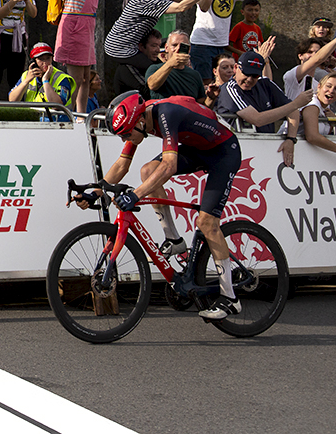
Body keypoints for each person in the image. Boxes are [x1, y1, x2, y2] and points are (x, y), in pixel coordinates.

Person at [87, 92, 244, 320]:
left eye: (126, 134)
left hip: (223, 152)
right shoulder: (140, 118)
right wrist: (95, 193)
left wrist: (136, 195)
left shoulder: (166, 114)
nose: (124, 140)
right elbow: (122, 165)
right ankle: (174, 240)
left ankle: (230, 298)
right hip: (199, 148)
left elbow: (169, 166)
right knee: (147, 171)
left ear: (140, 123)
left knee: (207, 223)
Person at [105, 0, 222, 71]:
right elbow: (181, 7)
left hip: (132, 46)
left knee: (160, 68)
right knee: (157, 70)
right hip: (119, 47)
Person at [216, 50, 312, 166]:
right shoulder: (229, 89)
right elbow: (257, 120)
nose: (249, 80)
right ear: (236, 68)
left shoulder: (265, 83)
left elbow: (293, 112)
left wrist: (291, 139)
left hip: (266, 148)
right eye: (246, 73)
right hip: (238, 150)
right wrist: (295, 104)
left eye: (255, 75)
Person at [189, 0, 261, 84]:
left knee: (221, 80)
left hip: (220, 43)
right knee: (204, 81)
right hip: (203, 41)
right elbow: (204, 7)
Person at [283, 18, 336, 100]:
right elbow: (317, 59)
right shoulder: (292, 75)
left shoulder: (319, 85)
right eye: (309, 52)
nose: (314, 55)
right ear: (300, 56)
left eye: (317, 52)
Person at [8, 42, 75, 119]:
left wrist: (45, 81)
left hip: (55, 123)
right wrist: (26, 81)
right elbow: (12, 100)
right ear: (33, 62)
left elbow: (57, 105)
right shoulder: (26, 76)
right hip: (31, 120)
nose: (45, 63)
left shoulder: (62, 78)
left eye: (48, 58)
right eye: (41, 59)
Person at [145, 30, 205, 102]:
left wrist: (211, 98)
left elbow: (201, 104)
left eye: (183, 46)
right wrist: (170, 64)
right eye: (174, 45)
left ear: (189, 50)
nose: (178, 49)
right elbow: (152, 85)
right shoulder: (155, 68)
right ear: (166, 48)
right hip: (164, 111)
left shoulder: (194, 74)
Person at [112, 29, 162, 97]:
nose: (158, 50)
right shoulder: (127, 67)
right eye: (153, 46)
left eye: (159, 46)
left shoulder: (156, 63)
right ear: (141, 46)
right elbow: (147, 91)